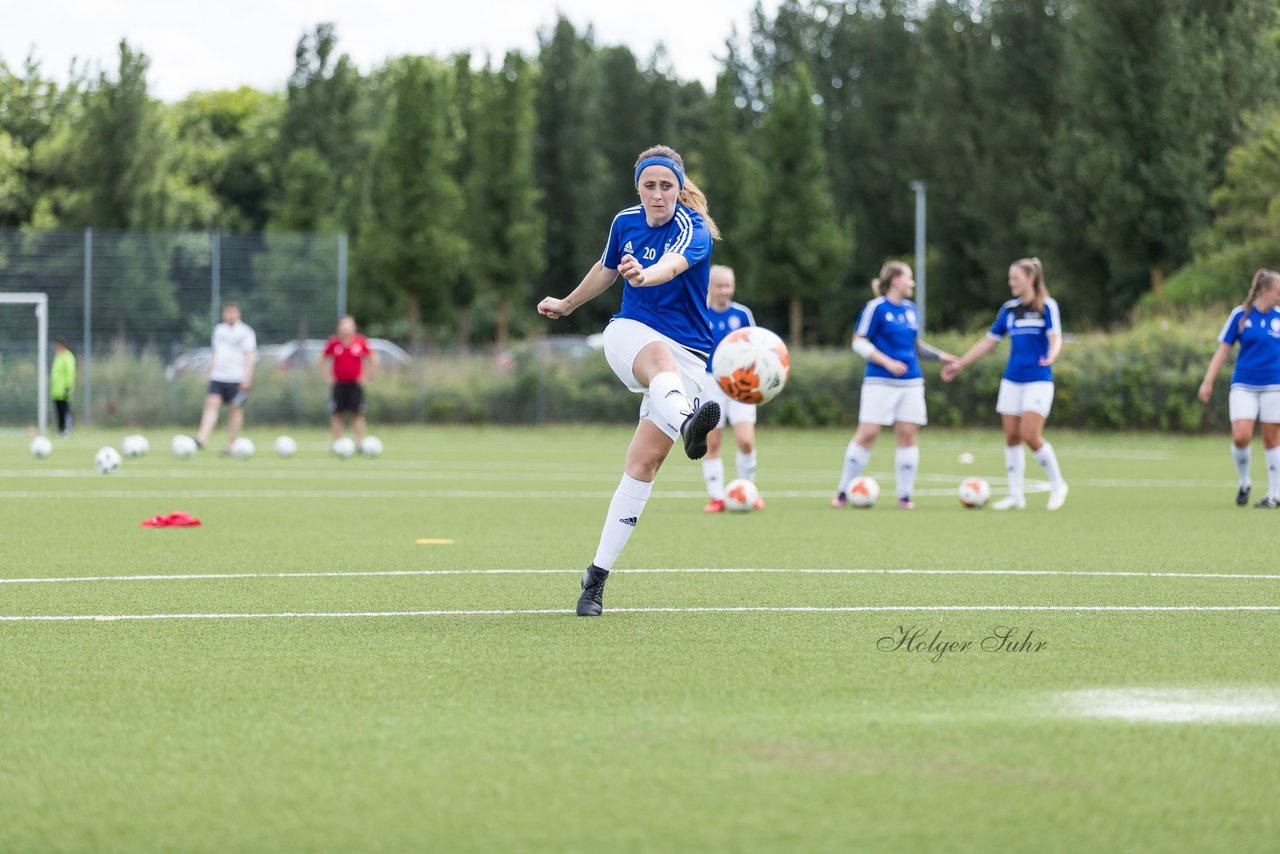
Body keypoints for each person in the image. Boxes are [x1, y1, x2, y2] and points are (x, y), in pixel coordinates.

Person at [538, 144, 721, 617]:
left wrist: (644, 273)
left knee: (643, 466)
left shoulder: (692, 227)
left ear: (680, 189)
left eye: (666, 186)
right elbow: (604, 270)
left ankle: (595, 578)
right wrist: (566, 304)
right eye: (649, 185)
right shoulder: (625, 222)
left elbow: (672, 266)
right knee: (659, 360)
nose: (657, 195)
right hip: (630, 334)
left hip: (691, 358)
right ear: (637, 187)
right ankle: (688, 423)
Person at [942, 258, 1069, 510]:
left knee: (1030, 435)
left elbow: (1055, 336)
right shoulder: (1009, 310)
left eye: (1015, 278)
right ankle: (1016, 495)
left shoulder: (1047, 306)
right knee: (1012, 436)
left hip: (1038, 380)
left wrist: (1052, 355)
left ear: (1030, 278)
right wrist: (961, 363)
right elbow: (989, 341)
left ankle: (1058, 484)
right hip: (1012, 380)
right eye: (1010, 278)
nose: (1011, 283)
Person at [833, 261, 955, 510]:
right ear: (895, 280)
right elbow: (858, 342)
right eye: (909, 278)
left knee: (908, 436)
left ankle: (905, 496)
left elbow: (915, 346)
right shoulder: (875, 307)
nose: (912, 283)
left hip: (911, 382)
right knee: (868, 434)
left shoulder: (911, 309)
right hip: (879, 381)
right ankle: (843, 491)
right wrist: (886, 362)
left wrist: (941, 356)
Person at [1198, 269, 1280, 507]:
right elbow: (1223, 350)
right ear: (1265, 291)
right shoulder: (1240, 316)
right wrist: (1208, 380)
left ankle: (1275, 495)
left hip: (1274, 385)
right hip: (1244, 384)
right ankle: (1244, 482)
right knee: (1241, 436)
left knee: (1272, 439)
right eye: (1278, 292)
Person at [700, 265, 764, 512]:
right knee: (713, 442)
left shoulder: (742, 314)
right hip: (710, 382)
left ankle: (748, 491)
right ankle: (716, 497)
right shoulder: (701, 312)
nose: (724, 291)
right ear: (710, 287)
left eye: (728, 285)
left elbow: (758, 347)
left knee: (746, 441)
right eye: (719, 285)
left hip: (742, 383)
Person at [195, 302, 256, 453]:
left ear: (238, 314)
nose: (230, 315)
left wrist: (247, 377)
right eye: (227, 312)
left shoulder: (246, 332)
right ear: (224, 314)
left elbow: (250, 355)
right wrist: (210, 370)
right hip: (218, 376)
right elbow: (216, 353)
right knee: (211, 403)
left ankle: (231, 444)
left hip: (237, 378)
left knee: (234, 409)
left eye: (233, 312)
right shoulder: (219, 330)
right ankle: (202, 438)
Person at [321, 315, 379, 444]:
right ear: (339, 328)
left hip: (355, 385)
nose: (345, 328)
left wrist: (367, 377)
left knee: (357, 414)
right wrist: (327, 377)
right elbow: (322, 360)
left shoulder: (360, 341)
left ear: (354, 327)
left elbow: (373, 358)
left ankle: (359, 444)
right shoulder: (333, 343)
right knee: (337, 414)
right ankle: (336, 443)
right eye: (343, 325)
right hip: (339, 385)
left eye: (348, 325)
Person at [51, 338, 76, 437]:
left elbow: (70, 373)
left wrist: (68, 386)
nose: (55, 347)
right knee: (59, 411)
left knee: (65, 409)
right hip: (56, 390)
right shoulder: (58, 356)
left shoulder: (68, 357)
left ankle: (68, 428)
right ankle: (60, 429)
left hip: (64, 389)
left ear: (62, 345)